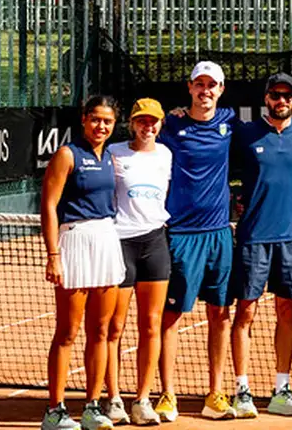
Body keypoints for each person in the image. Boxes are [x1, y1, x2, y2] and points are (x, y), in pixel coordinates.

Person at [227, 74, 292, 418]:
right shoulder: (246, 133)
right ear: (266, 98)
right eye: (276, 95)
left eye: (287, 95)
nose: (281, 100)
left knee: (287, 311)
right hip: (253, 237)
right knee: (245, 312)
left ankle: (282, 388)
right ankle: (241, 390)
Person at [157, 61, 237, 421]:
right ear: (189, 87)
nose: (205, 91)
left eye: (212, 85)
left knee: (220, 314)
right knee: (171, 315)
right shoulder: (170, 126)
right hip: (181, 235)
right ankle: (167, 394)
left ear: (221, 90)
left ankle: (215, 393)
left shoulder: (230, 123)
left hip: (219, 234)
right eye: (199, 84)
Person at [40, 95, 125, 430]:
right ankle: (55, 410)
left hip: (106, 239)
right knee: (68, 331)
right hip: (74, 240)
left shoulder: (111, 157)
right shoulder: (67, 154)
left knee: (101, 330)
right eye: (95, 119)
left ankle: (92, 406)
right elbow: (49, 206)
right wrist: (53, 255)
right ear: (84, 119)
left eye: (107, 121)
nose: (101, 126)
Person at [104, 99, 173, 426]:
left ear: (160, 124)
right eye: (142, 121)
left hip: (155, 243)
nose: (148, 126)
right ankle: (113, 398)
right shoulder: (114, 152)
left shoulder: (166, 155)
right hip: (119, 244)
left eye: (153, 121)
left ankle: (143, 399)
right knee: (113, 327)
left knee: (151, 324)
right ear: (132, 124)